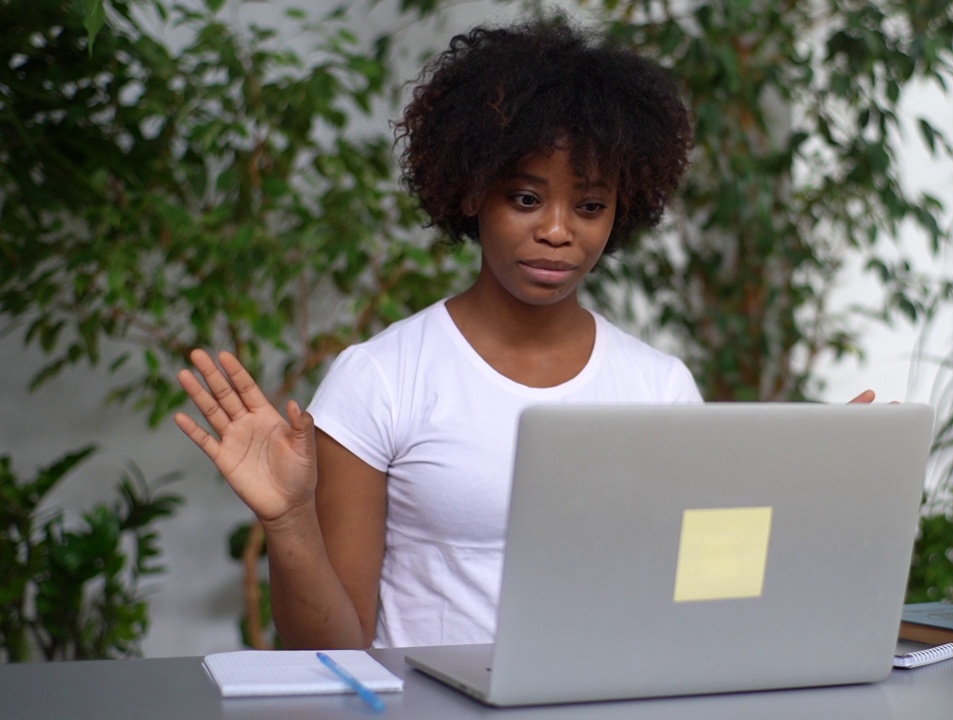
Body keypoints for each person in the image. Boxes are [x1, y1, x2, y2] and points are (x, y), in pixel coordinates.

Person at [174, 17, 705, 651]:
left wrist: (806, 500)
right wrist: (290, 522)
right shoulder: (380, 379)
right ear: (472, 191)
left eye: (589, 206)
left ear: (622, 210)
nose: (559, 231)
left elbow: (689, 611)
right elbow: (332, 653)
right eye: (526, 198)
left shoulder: (660, 388)